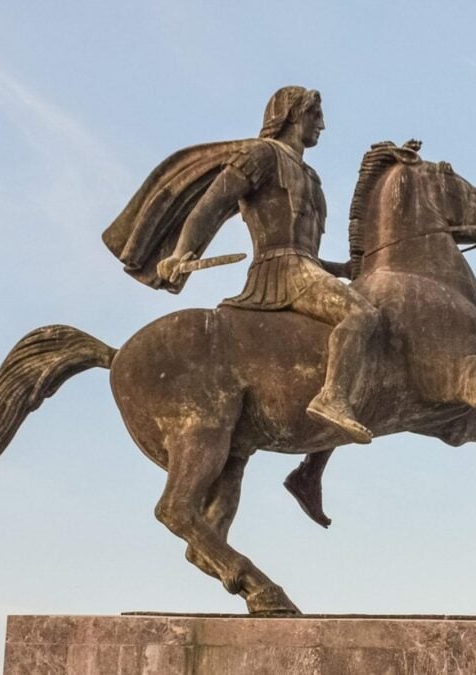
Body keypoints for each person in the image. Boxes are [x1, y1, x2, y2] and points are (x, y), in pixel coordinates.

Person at [102, 86, 377, 526]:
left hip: (306, 270)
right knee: (361, 315)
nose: (322, 125)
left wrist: (342, 268)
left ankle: (311, 470)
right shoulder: (263, 156)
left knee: (342, 356)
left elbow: (306, 250)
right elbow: (212, 204)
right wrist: (183, 251)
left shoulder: (312, 178)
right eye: (315, 115)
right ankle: (332, 401)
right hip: (282, 274)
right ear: (292, 115)